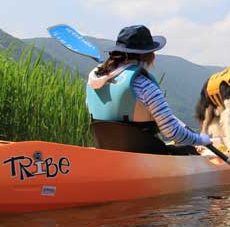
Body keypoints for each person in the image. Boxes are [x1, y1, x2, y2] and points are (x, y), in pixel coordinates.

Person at [86, 25, 211, 153]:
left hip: (107, 150)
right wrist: (200, 140)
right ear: (148, 55)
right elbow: (172, 132)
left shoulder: (93, 81)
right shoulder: (143, 84)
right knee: (189, 150)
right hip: (143, 155)